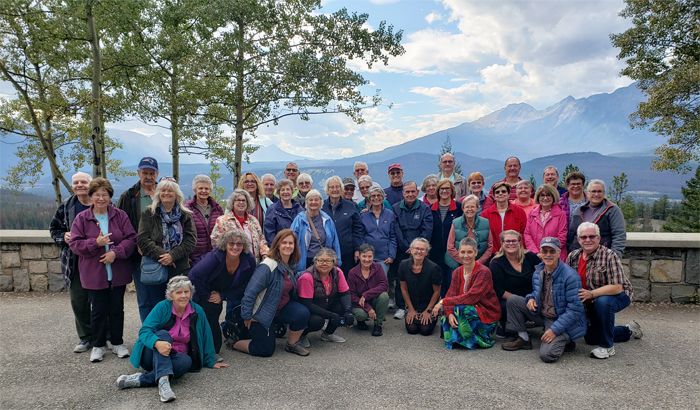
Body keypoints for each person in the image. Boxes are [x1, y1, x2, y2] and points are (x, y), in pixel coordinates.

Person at [116, 276, 228, 403]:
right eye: (178, 292)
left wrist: (210, 360)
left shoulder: (197, 310)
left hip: (176, 357)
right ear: (170, 295)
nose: (183, 296)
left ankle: (142, 379)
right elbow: (144, 330)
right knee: (163, 334)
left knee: (186, 361)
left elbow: (206, 335)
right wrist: (157, 343)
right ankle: (164, 384)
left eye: (186, 292)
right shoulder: (162, 307)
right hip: (151, 355)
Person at [69, 177, 137, 362]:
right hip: (93, 273)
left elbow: (131, 239)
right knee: (97, 310)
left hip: (117, 272)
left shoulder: (120, 215)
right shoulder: (82, 218)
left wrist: (116, 253)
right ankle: (98, 345)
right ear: (91, 196)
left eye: (104, 194)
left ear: (110, 196)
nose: (101, 198)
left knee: (116, 309)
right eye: (97, 195)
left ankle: (117, 342)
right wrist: (95, 243)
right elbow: (74, 244)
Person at [502, 237, 587, 363]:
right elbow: (536, 293)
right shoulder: (538, 271)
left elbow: (575, 310)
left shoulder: (570, 276)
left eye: (552, 251)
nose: (548, 255)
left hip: (560, 319)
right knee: (513, 300)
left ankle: (567, 339)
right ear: (540, 253)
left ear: (559, 253)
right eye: (544, 251)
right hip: (544, 314)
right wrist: (530, 299)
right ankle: (523, 339)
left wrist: (554, 330)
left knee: (546, 355)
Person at [228, 229, 311, 357]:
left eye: (291, 243)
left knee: (303, 313)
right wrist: (247, 316)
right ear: (277, 244)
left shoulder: (289, 264)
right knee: (265, 350)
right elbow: (250, 292)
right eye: (284, 242)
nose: (288, 246)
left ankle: (292, 344)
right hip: (261, 312)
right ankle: (234, 341)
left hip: (279, 308)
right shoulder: (267, 265)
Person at [566, 222, 642, 359]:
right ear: (578, 240)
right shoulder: (573, 257)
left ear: (599, 238)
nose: (587, 240)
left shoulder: (609, 256)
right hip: (590, 301)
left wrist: (592, 294)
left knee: (603, 302)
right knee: (591, 337)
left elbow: (617, 286)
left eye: (591, 236)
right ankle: (628, 330)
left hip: (617, 296)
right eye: (583, 237)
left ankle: (607, 347)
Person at [187, 229, 256, 360]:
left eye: (239, 244)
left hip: (229, 290)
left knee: (244, 307)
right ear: (225, 244)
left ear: (244, 246)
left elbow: (247, 284)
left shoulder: (249, 260)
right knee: (211, 311)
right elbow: (193, 276)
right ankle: (212, 350)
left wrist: (223, 295)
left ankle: (240, 337)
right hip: (206, 288)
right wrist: (207, 296)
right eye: (231, 243)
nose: (235, 247)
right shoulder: (215, 256)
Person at [137, 177, 197, 317]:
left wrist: (173, 255)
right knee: (156, 305)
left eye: (170, 190)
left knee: (179, 305)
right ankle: (159, 336)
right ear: (158, 193)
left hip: (180, 267)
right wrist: (163, 256)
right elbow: (142, 239)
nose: (166, 193)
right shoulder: (149, 213)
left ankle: (180, 335)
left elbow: (191, 240)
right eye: (163, 190)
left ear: (177, 194)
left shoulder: (186, 215)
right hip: (155, 268)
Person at [49, 172, 95, 353]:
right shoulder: (66, 206)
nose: (80, 185)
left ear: (90, 184)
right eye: (76, 182)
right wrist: (63, 236)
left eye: (84, 182)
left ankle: (105, 336)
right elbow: (54, 229)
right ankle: (86, 337)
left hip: (98, 259)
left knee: (101, 301)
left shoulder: (101, 202)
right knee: (78, 300)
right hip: (73, 261)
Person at [433, 237, 500, 349]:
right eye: (463, 252)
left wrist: (443, 301)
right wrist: (449, 314)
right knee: (446, 315)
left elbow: (471, 298)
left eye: (469, 252)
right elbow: (451, 295)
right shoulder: (457, 271)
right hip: (466, 311)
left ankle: (475, 341)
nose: (466, 255)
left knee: (460, 309)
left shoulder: (483, 272)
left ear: (476, 253)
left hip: (486, 313)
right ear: (458, 253)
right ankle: (459, 339)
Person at [116, 156, 159, 322]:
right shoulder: (129, 196)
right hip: (139, 254)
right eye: (145, 172)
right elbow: (121, 225)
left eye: (151, 173)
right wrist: (137, 243)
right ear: (138, 173)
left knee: (162, 296)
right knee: (144, 298)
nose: (148, 176)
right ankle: (148, 333)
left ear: (157, 174)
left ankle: (163, 333)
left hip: (163, 253)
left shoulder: (165, 193)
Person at [390, 181, 433, 319]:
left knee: (421, 278)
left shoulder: (425, 208)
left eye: (413, 191)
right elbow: (396, 229)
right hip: (402, 250)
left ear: (417, 192)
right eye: (407, 192)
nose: (410, 194)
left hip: (420, 250)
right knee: (401, 277)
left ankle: (420, 306)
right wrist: (407, 247)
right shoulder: (395, 208)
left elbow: (427, 230)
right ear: (403, 193)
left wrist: (417, 248)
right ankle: (401, 307)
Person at [296, 248, 354, 347]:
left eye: (328, 261)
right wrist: (331, 315)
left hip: (326, 303)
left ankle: (327, 334)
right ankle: (301, 335)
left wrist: (348, 311)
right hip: (308, 309)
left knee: (341, 306)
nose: (324, 264)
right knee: (317, 321)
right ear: (315, 261)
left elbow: (345, 294)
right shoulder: (307, 277)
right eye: (321, 260)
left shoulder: (338, 272)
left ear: (333, 262)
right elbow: (307, 304)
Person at [489, 230, 540, 338]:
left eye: (514, 241)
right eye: (507, 241)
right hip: (508, 300)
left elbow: (543, 276)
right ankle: (506, 325)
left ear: (520, 242)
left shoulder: (530, 257)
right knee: (507, 305)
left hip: (532, 297)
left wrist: (534, 297)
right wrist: (519, 301)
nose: (510, 244)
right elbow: (497, 290)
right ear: (502, 243)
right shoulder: (497, 263)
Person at [567, 179, 627, 258]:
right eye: (593, 191)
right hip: (580, 257)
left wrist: (614, 256)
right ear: (587, 193)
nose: (596, 194)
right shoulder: (579, 210)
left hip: (602, 257)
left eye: (599, 191)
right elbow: (572, 235)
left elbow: (619, 236)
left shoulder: (612, 210)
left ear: (604, 193)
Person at [291, 189, 342, 272]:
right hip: (304, 261)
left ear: (321, 202)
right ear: (306, 202)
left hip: (323, 261)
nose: (313, 202)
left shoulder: (327, 220)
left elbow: (335, 242)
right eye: (310, 200)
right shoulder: (299, 219)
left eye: (316, 200)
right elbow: (291, 239)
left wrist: (338, 261)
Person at [211, 189, 268, 262]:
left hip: (254, 263)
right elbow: (215, 242)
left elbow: (261, 239)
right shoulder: (222, 220)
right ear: (232, 203)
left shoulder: (253, 220)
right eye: (238, 200)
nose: (241, 202)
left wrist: (264, 253)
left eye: (244, 200)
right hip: (231, 263)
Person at [398, 238, 441, 335]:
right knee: (411, 329)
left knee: (425, 331)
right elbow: (404, 289)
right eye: (416, 248)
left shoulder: (433, 268)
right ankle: (412, 312)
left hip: (428, 304)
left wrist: (428, 310)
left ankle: (433, 316)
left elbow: (437, 291)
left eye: (422, 249)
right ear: (411, 250)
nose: (419, 251)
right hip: (412, 304)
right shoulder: (403, 265)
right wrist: (411, 309)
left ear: (426, 252)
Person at [428, 179, 463, 297]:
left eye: (447, 188)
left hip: (453, 252)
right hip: (435, 251)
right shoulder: (431, 209)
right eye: (442, 189)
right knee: (439, 281)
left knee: (453, 280)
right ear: (438, 191)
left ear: (452, 191)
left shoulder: (459, 208)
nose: (444, 191)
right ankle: (442, 306)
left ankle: (452, 306)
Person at [322, 176, 364, 272]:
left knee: (346, 280)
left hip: (347, 251)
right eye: (332, 187)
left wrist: (357, 249)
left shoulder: (351, 206)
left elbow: (357, 229)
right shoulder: (322, 206)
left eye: (337, 187)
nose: (335, 190)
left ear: (341, 190)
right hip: (326, 251)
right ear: (327, 191)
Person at [347, 244, 390, 336]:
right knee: (361, 315)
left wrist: (366, 295)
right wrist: (368, 308)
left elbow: (384, 285)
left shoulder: (378, 268)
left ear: (373, 256)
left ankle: (378, 324)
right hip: (359, 304)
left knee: (384, 296)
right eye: (364, 256)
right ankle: (361, 321)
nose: (367, 259)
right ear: (359, 256)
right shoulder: (352, 272)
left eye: (370, 256)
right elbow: (351, 295)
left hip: (374, 300)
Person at [183, 175, 224, 263]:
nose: (203, 191)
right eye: (200, 188)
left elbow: (223, 231)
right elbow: (182, 232)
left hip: (215, 256)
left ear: (210, 190)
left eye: (206, 188)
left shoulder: (217, 208)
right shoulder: (187, 209)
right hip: (194, 257)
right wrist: (184, 254)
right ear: (195, 190)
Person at [446, 195, 493, 273]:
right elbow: (450, 246)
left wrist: (478, 263)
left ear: (477, 208)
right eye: (467, 207)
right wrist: (466, 261)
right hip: (458, 264)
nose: (469, 209)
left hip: (480, 265)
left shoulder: (485, 223)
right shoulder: (455, 223)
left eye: (472, 207)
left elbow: (490, 247)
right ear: (463, 209)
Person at [360, 186, 397, 279]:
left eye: (378, 195)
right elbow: (361, 236)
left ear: (383, 197)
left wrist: (391, 255)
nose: (376, 198)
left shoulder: (390, 214)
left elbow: (393, 236)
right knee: (367, 282)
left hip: (384, 258)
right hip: (367, 257)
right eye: (373, 196)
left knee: (382, 283)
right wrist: (362, 254)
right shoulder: (364, 215)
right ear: (369, 198)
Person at [524, 184, 568, 260]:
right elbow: (527, 234)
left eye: (548, 195)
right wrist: (537, 253)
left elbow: (562, 236)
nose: (545, 198)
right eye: (542, 195)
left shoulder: (561, 214)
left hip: (554, 256)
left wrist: (547, 252)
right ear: (538, 197)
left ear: (553, 197)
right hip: (535, 256)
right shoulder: (532, 213)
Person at [481, 181, 527, 255]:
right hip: (494, 255)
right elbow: (484, 236)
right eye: (497, 192)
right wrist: (495, 252)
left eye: (503, 191)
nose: (500, 194)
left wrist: (518, 249)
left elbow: (524, 233)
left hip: (516, 253)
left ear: (508, 194)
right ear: (493, 196)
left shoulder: (519, 212)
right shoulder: (485, 214)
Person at [264, 179, 303, 245]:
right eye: (282, 190)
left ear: (292, 192)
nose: (285, 192)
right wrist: (276, 248)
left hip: (297, 248)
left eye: (288, 189)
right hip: (279, 248)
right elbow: (269, 232)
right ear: (278, 193)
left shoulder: (299, 210)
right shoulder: (272, 209)